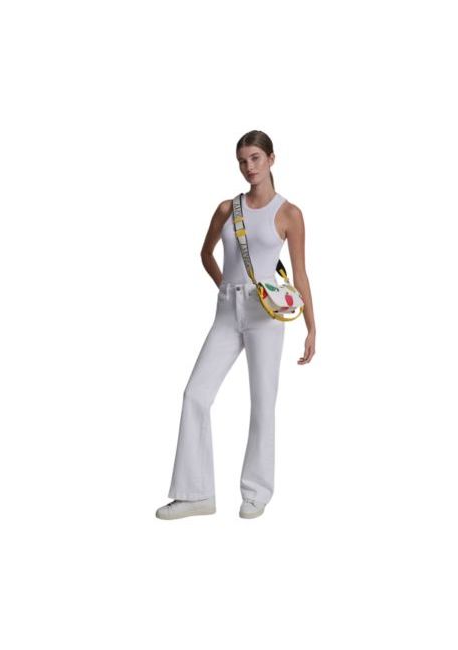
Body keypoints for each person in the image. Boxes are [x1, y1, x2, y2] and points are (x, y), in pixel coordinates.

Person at [155, 130, 316, 520]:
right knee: (195, 395)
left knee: (262, 402)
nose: (249, 167)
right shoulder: (228, 209)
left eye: (256, 158)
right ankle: (196, 495)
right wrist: (227, 288)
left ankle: (256, 492)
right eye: (243, 161)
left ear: (272, 159)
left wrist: (312, 328)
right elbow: (205, 254)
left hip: (265, 317)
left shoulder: (289, 214)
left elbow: (300, 274)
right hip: (228, 312)